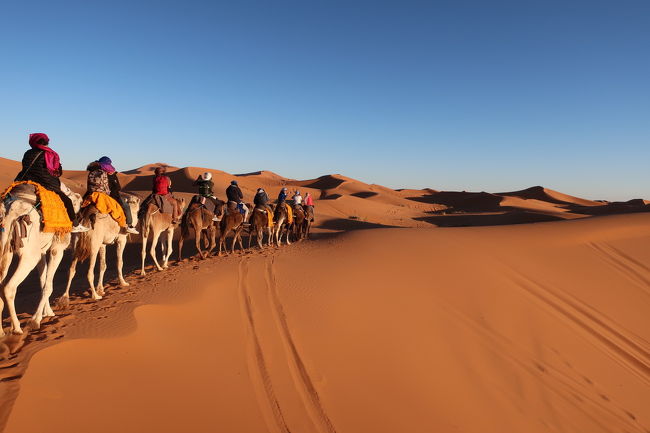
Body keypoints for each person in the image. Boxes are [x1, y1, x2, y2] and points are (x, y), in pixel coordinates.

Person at [14, 133, 89, 232]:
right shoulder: (50, 154)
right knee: (67, 201)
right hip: (46, 183)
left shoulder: (28, 153)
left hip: (25, 180)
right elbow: (57, 172)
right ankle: (75, 224)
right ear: (46, 142)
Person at [93, 156, 139, 234]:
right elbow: (117, 188)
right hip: (111, 195)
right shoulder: (110, 174)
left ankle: (77, 221)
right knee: (126, 207)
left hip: (94, 193)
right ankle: (130, 225)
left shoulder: (95, 171)